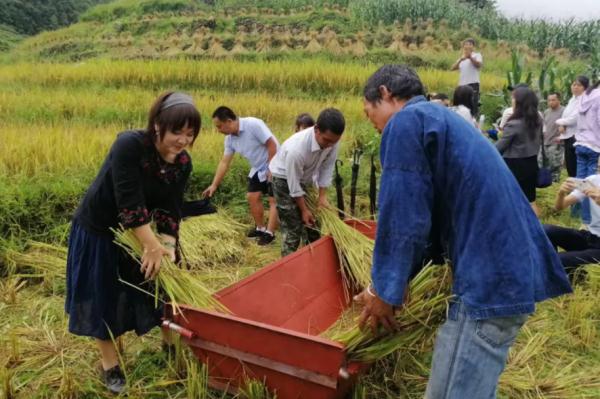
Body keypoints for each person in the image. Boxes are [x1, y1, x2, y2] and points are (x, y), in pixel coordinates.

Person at [355, 64, 571, 399]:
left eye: (370, 113)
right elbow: (428, 219)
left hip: (489, 280)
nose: (374, 124)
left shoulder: (406, 122)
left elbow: (403, 218)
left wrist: (384, 291)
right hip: (502, 272)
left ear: (384, 93)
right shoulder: (444, 118)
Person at [65, 92, 201, 394]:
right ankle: (110, 365)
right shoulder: (129, 145)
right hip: (101, 229)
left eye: (190, 134)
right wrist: (151, 245)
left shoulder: (182, 162)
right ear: (157, 126)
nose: (182, 140)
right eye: (177, 131)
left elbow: (171, 207)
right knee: (104, 296)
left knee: (164, 284)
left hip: (139, 233)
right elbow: (129, 202)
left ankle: (169, 347)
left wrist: (167, 244)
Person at [269, 108, 345, 256]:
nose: (329, 145)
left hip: (306, 178)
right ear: (316, 129)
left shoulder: (332, 142)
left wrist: (322, 197)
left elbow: (327, 168)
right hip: (284, 179)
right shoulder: (296, 149)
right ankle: (288, 266)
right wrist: (304, 210)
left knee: (314, 224)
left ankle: (313, 259)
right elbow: (294, 185)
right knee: (293, 227)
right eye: (327, 140)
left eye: (334, 142)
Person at [203, 106, 279, 245]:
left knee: (273, 200)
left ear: (229, 121)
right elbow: (225, 162)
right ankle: (260, 228)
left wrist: (271, 167)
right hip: (258, 167)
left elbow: (272, 144)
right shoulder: (230, 139)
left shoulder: (253, 124)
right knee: (252, 196)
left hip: (275, 162)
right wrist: (214, 185)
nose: (218, 130)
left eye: (219, 126)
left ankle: (270, 233)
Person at [495, 87, 543, 216]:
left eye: (513, 98)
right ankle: (536, 229)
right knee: (531, 199)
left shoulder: (514, 123)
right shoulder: (538, 120)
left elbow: (500, 147)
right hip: (531, 162)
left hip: (514, 165)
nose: (512, 100)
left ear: (519, 102)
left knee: (510, 198)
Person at [544, 177, 600, 279]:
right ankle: (560, 273)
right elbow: (559, 207)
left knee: (560, 259)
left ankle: (577, 278)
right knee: (545, 230)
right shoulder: (593, 181)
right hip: (591, 236)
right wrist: (561, 193)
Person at [572, 80, 600, 227]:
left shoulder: (584, 96)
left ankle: (582, 219)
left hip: (581, 143)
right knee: (591, 184)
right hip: (594, 145)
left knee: (581, 182)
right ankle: (589, 221)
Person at [556, 76, 590, 178]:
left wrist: (559, 122)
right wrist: (562, 123)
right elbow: (566, 115)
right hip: (569, 137)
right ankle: (573, 189)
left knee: (577, 167)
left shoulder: (584, 100)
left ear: (585, 87)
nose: (575, 87)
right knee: (570, 166)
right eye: (574, 84)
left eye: (579, 85)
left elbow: (574, 119)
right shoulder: (572, 99)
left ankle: (580, 191)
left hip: (578, 137)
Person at [451, 38, 482, 115]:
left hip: (473, 84)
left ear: (473, 47)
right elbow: (452, 68)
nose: (467, 46)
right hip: (461, 85)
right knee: (460, 104)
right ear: (463, 46)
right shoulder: (461, 58)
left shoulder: (477, 55)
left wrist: (470, 57)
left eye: (470, 44)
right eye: (466, 44)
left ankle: (473, 120)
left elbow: (478, 65)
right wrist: (461, 60)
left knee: (472, 104)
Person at [541, 92, 565, 182]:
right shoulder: (546, 112)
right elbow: (544, 126)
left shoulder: (564, 111)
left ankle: (555, 180)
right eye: (549, 100)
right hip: (546, 140)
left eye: (553, 100)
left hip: (557, 141)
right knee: (547, 162)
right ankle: (548, 181)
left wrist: (561, 137)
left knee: (555, 162)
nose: (551, 102)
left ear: (559, 100)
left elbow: (568, 125)